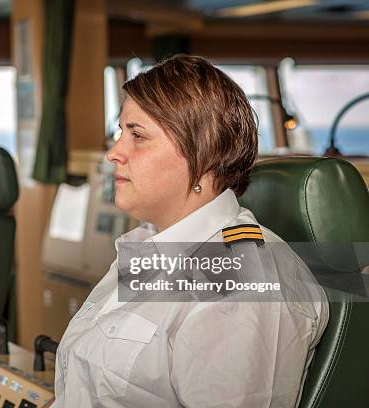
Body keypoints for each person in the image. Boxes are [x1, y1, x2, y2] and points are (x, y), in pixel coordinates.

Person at [50, 55, 328, 407]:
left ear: (204, 153)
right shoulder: (149, 245)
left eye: (137, 135)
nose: (114, 152)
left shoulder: (242, 288)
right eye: (121, 132)